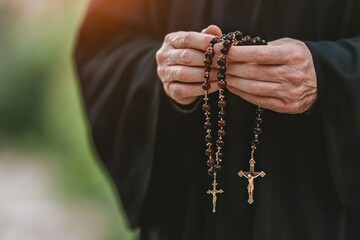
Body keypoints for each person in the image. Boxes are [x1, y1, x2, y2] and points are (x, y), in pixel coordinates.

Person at [74, 0, 360, 239]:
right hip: (189, 209)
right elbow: (105, 44)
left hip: (328, 214)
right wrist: (166, 71)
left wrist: (333, 75)